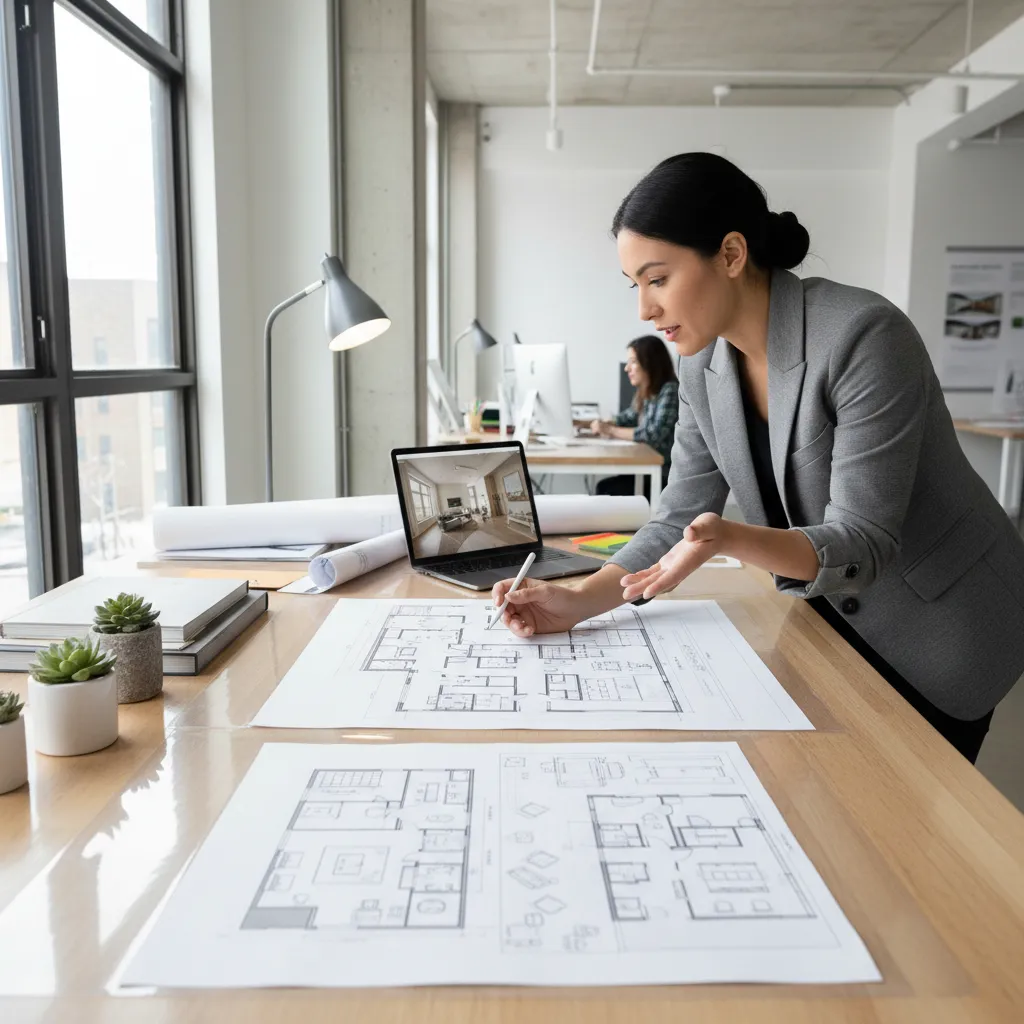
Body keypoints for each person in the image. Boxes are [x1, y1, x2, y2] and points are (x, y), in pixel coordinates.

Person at [492, 151, 1024, 765]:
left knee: (911, 839)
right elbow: (678, 517)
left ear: (731, 254)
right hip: (828, 621)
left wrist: (726, 538)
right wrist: (582, 600)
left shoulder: (864, 336)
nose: (643, 309)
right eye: (634, 284)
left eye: (658, 279)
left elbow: (864, 541)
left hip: (941, 625)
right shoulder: (702, 366)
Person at [591, 335, 679, 498]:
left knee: (605, 489)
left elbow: (653, 434)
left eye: (633, 361)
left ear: (649, 364)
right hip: (647, 469)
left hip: (664, 475)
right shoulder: (646, 393)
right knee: (604, 487)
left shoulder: (670, 390)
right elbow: (627, 418)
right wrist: (583, 423)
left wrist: (609, 429)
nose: (627, 368)